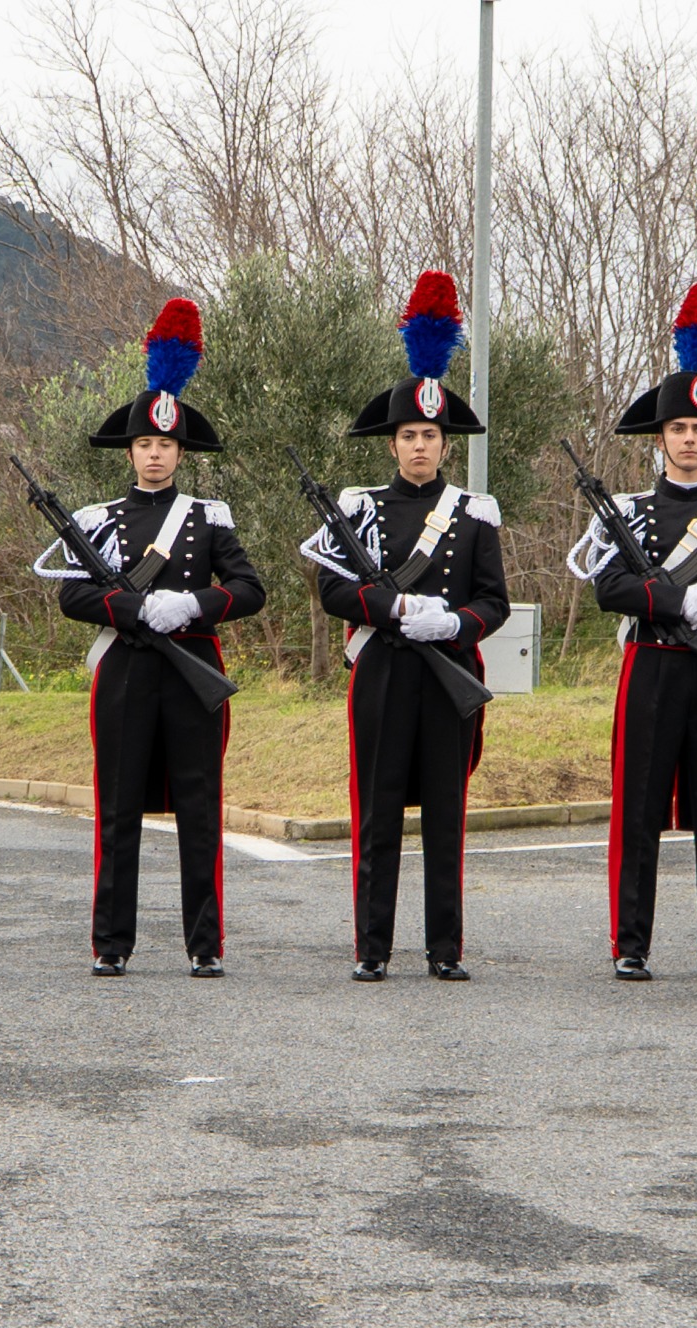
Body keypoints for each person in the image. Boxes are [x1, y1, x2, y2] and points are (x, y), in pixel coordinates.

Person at [34, 299, 266, 978]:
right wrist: (136, 612)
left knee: (199, 808)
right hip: (128, 672)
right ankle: (112, 941)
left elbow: (250, 589)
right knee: (118, 807)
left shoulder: (208, 517)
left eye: (166, 445)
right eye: (145, 444)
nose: (156, 454)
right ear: (130, 451)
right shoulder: (97, 520)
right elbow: (72, 593)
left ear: (180, 451)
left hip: (193, 665)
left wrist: (189, 604)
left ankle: (205, 943)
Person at [567, 282, 697, 981]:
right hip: (653, 669)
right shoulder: (626, 510)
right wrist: (666, 600)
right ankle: (631, 943)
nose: (689, 440)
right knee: (639, 812)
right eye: (678, 430)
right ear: (659, 439)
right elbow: (609, 588)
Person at [302, 271, 508, 983]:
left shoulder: (476, 512)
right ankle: (373, 947)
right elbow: (332, 585)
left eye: (430, 435)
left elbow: (495, 601)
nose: (420, 445)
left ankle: (445, 949)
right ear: (391, 443)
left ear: (446, 444)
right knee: (378, 810)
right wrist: (388, 608)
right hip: (385, 672)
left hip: (448, 674)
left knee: (446, 818)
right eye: (408, 434)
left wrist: (452, 619)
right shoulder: (356, 507)